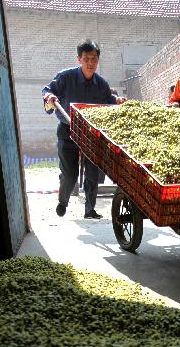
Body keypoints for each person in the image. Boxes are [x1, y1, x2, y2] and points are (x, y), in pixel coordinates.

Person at [42, 39, 125, 219]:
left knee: (93, 172)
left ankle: (90, 210)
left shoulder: (101, 84)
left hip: (90, 132)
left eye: (94, 59)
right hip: (68, 129)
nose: (90, 63)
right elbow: (48, 90)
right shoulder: (65, 77)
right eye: (86, 59)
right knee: (70, 175)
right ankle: (63, 201)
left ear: (97, 60)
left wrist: (117, 101)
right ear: (79, 59)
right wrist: (49, 97)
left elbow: (107, 100)